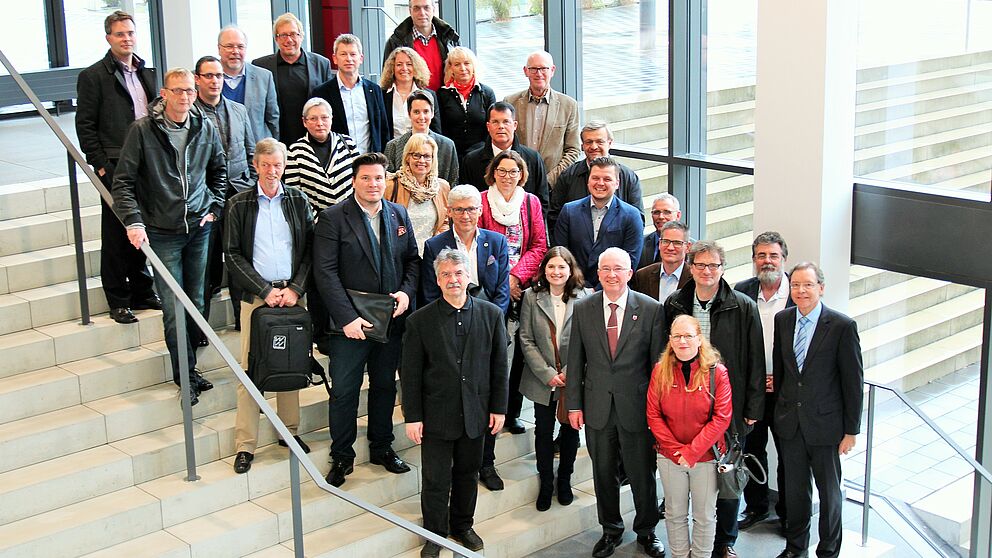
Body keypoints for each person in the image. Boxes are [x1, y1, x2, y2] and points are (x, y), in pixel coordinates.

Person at [111, 67, 227, 405]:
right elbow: (123, 182)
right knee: (175, 307)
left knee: (199, 302)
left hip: (199, 226)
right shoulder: (144, 130)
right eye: (177, 91)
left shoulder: (204, 126)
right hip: (163, 232)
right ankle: (185, 374)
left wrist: (215, 208)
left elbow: (218, 169)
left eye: (189, 91)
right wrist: (134, 221)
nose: (184, 97)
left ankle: (190, 365)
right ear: (164, 93)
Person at [312, 153, 421, 487]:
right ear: (354, 181)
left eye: (378, 178)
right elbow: (325, 273)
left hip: (389, 320)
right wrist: (347, 318)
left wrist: (405, 293)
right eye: (366, 178)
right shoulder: (333, 218)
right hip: (349, 325)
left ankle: (382, 447)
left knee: (385, 385)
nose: (373, 184)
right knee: (344, 390)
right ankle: (342, 455)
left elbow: (412, 261)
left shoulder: (398, 213)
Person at [402, 248, 508, 558]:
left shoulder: (491, 314)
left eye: (458, 273)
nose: (453, 279)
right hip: (436, 415)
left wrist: (499, 408)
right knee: (436, 479)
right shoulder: (419, 321)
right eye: (446, 274)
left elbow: (500, 367)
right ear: (437, 280)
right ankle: (434, 533)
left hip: (476, 413)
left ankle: (462, 525)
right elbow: (410, 374)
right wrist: (413, 416)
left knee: (468, 473)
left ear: (468, 277)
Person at [664, 240, 765, 558]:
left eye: (714, 265)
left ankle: (725, 542)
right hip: (683, 406)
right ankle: (688, 542)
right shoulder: (675, 304)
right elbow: (663, 355)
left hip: (727, 407)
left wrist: (752, 408)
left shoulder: (743, 305)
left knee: (728, 477)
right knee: (687, 476)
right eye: (700, 265)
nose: (707, 271)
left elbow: (755, 359)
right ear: (690, 268)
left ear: (723, 269)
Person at [566, 248, 666, 558]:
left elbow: (658, 367)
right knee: (604, 473)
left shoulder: (650, 309)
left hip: (637, 408)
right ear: (598, 273)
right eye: (606, 268)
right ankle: (610, 530)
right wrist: (574, 405)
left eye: (618, 269)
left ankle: (647, 531)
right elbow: (575, 359)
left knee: (641, 474)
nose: (611, 274)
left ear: (629, 272)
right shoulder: (584, 308)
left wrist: (658, 412)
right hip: (597, 408)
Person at [224, 138, 314, 474]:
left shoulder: (297, 200)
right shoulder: (239, 204)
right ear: (255, 166)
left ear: (284, 165)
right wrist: (263, 289)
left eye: (277, 164)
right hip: (257, 298)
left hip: (292, 296)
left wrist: (295, 288)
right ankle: (245, 444)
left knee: (291, 362)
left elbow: (309, 250)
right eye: (266, 165)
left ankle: (288, 433)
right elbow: (232, 255)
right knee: (251, 367)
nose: (272, 171)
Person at [773, 263, 864, 558]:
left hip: (826, 427)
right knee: (796, 494)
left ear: (821, 288)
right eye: (796, 285)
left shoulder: (841, 326)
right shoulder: (783, 319)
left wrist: (851, 431)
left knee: (830, 495)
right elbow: (782, 371)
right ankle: (795, 548)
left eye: (808, 285)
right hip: (791, 424)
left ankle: (827, 550)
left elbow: (853, 383)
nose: (801, 291)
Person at [75, 10, 160, 325]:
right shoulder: (94, 76)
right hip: (114, 163)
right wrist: (99, 164)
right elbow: (85, 125)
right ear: (109, 38)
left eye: (130, 33)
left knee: (141, 227)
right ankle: (118, 299)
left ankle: (143, 291)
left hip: (147, 163)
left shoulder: (147, 73)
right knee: (115, 233)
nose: (127, 39)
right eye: (120, 34)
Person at [647, 314, 732, 558]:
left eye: (688, 336)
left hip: (705, 457)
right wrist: (677, 452)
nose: (683, 341)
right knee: (674, 513)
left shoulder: (718, 373)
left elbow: (722, 418)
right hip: (669, 457)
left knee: (704, 515)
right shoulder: (659, 371)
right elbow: (653, 415)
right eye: (677, 336)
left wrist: (692, 452)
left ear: (699, 339)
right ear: (670, 340)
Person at [478, 149, 548, 435]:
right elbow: (479, 243)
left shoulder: (530, 203)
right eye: (503, 170)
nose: (508, 176)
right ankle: (488, 408)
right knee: (493, 351)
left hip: (523, 287)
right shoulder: (481, 202)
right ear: (494, 172)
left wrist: (517, 277)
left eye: (514, 171)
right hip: (490, 289)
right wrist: (504, 280)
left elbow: (540, 245)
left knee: (520, 351)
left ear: (522, 175)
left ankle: (512, 412)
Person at [734, 232, 794, 533]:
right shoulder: (742, 291)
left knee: (788, 456)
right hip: (753, 391)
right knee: (752, 451)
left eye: (773, 256)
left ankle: (787, 514)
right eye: (761, 255)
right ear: (754, 259)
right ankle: (756, 507)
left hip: (786, 394)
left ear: (784, 259)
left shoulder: (798, 294)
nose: (767, 261)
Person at [193, 55, 257, 336]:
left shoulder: (238, 110)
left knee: (241, 260)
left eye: (218, 76)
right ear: (197, 79)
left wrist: (252, 182)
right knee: (206, 266)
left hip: (240, 194)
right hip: (206, 198)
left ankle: (243, 319)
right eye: (208, 75)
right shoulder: (190, 115)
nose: (214, 81)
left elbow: (251, 150)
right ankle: (201, 327)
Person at [518, 247, 585, 511]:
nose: (556, 272)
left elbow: (587, 339)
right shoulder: (531, 297)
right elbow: (525, 338)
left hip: (573, 378)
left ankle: (565, 480)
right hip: (541, 379)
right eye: (551, 267)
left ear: (571, 270)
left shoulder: (585, 297)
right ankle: (546, 483)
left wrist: (569, 372)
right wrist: (548, 374)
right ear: (543, 270)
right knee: (544, 432)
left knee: (570, 431)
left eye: (562, 267)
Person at [552, 157, 644, 289]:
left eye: (607, 179)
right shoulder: (569, 211)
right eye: (595, 178)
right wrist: (580, 288)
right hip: (573, 289)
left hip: (613, 288)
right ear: (588, 181)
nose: (600, 183)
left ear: (617, 183)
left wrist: (598, 289)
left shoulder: (631, 215)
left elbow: (631, 260)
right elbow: (561, 254)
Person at [421, 185, 510, 315]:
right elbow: (430, 293)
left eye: (471, 209)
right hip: (448, 318)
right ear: (449, 211)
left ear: (480, 210)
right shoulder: (434, 246)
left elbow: (503, 290)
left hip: (489, 317)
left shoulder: (497, 242)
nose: (466, 216)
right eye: (459, 209)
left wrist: (493, 320)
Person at [252, 13, 332, 145]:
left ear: (301, 36)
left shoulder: (321, 64)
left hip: (312, 140)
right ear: (276, 39)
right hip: (276, 140)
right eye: (283, 35)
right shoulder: (261, 66)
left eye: (293, 34)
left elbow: (327, 105)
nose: (289, 40)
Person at [503, 50, 580, 186]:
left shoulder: (568, 105)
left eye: (544, 68)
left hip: (553, 185)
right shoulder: (510, 102)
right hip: (516, 182)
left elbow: (573, 150)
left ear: (552, 70)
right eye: (533, 69)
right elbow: (504, 142)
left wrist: (548, 180)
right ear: (526, 71)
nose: (539, 74)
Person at [550, 120, 643, 231]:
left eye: (600, 141)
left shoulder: (628, 177)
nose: (594, 147)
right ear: (582, 145)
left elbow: (638, 221)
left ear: (610, 143)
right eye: (588, 142)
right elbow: (554, 218)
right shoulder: (568, 176)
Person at [460, 101, 550, 216]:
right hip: (485, 230)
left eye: (506, 122)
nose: (501, 126)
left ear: (515, 125)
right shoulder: (471, 161)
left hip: (525, 229)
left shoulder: (533, 159)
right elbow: (467, 201)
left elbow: (543, 201)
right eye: (495, 122)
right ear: (488, 126)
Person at [312, 34, 389, 154]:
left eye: (353, 54)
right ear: (335, 58)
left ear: (361, 58)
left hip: (370, 161)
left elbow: (383, 129)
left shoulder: (374, 90)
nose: (349, 59)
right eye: (343, 54)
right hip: (337, 162)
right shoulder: (322, 93)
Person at [283, 97, 359, 214]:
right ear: (304, 122)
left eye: (324, 117)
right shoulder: (295, 151)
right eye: (313, 119)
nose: (320, 123)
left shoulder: (348, 143)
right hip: (316, 223)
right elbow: (295, 195)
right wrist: (319, 220)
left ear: (331, 119)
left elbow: (360, 180)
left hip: (351, 217)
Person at [385, 132, 451, 255]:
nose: (422, 160)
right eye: (416, 155)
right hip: (402, 256)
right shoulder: (391, 185)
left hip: (432, 256)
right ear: (407, 157)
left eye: (427, 156)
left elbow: (445, 222)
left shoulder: (442, 187)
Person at [382, 0, 460, 92]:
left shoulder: (450, 38)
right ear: (410, 11)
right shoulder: (396, 42)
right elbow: (387, 80)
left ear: (433, 9)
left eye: (426, 8)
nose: (422, 13)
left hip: (445, 101)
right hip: (411, 102)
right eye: (416, 8)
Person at [218, 25, 279, 141]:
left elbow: (273, 118)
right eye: (229, 46)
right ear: (219, 48)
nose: (235, 51)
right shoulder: (204, 78)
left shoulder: (264, 77)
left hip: (257, 151)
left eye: (240, 47)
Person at [435, 47, 496, 162]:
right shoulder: (442, 94)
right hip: (451, 155)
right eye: (457, 64)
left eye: (467, 63)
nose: (463, 68)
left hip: (481, 155)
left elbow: (492, 127)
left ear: (473, 66)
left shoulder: (487, 93)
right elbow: (440, 129)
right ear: (451, 68)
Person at [384, 90, 458, 185]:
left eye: (426, 111)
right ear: (409, 114)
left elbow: (453, 182)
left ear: (432, 113)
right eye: (416, 112)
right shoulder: (393, 146)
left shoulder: (447, 146)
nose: (421, 117)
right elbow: (389, 183)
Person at [379, 47, 441, 138]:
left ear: (416, 67)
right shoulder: (382, 95)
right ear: (392, 68)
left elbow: (436, 131)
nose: (404, 68)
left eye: (409, 64)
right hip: (392, 150)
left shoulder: (429, 95)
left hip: (422, 149)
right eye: (399, 64)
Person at [632, 220, 692, 302]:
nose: (670, 248)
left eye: (677, 243)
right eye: (666, 241)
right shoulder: (642, 276)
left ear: (688, 247)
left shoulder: (695, 277)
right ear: (659, 244)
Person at [641, 194, 683, 268]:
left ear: (678, 215)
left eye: (667, 212)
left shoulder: (691, 248)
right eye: (656, 212)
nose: (661, 217)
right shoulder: (640, 243)